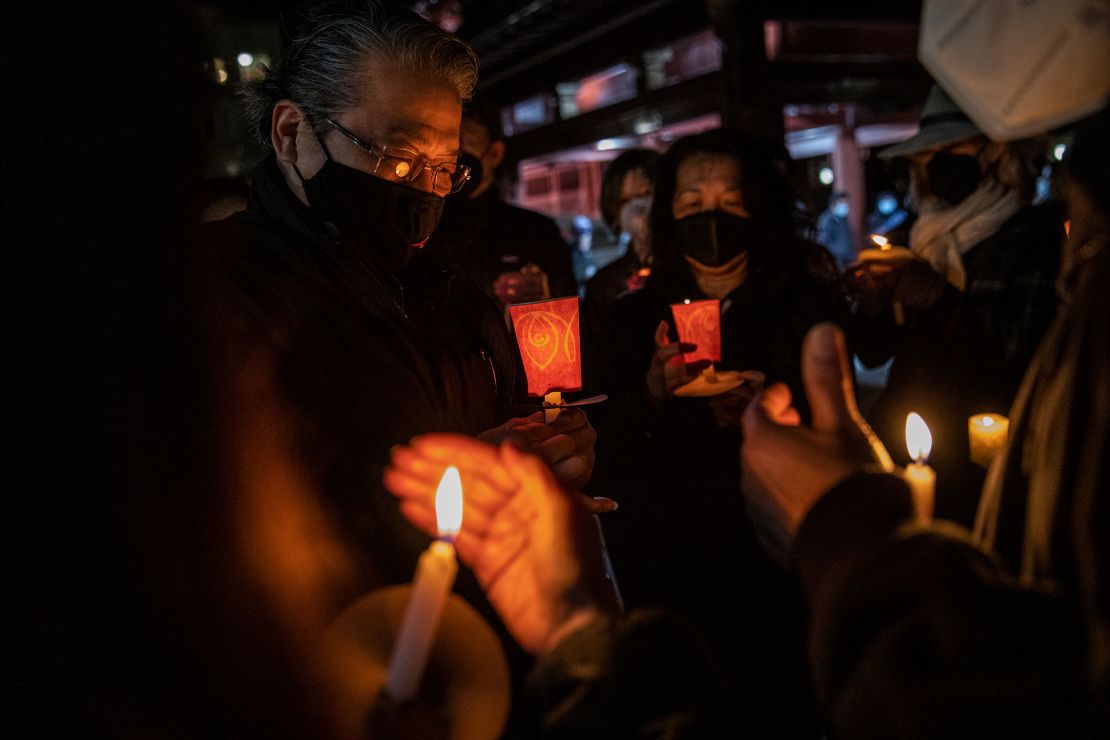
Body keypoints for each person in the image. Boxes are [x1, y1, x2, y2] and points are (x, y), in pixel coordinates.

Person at [203, 1, 597, 698]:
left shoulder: (459, 301)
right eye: (397, 157)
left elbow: (509, 424)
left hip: (484, 674)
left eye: (444, 170)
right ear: (293, 133)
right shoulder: (212, 296)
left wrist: (549, 451)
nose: (421, 192)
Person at [586, 129, 842, 738]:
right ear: (669, 210)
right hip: (672, 562)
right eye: (692, 199)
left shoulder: (804, 303)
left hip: (777, 556)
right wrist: (651, 391)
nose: (711, 213)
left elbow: (840, 419)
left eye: (730, 197)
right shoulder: (630, 314)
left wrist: (773, 409)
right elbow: (606, 446)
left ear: (760, 203)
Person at [848, 84, 1062, 525]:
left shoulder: (1031, 232)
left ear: (995, 151)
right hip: (904, 431)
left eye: (953, 148)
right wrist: (871, 306)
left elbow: (1018, 350)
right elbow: (874, 353)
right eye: (927, 153)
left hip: (983, 455)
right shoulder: (913, 235)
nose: (936, 163)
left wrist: (936, 296)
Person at [433, 105, 578, 306]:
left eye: (466, 146)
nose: (456, 159)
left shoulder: (536, 232)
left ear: (494, 153)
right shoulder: (424, 225)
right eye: (449, 149)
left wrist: (543, 300)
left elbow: (567, 316)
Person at [583, 149, 660, 313]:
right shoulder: (604, 285)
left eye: (645, 194)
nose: (636, 208)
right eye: (625, 200)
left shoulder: (694, 269)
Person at [816, 191, 856, 268]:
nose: (845, 206)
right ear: (833, 204)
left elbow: (847, 241)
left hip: (846, 262)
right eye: (842, 203)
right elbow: (823, 243)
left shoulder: (844, 220)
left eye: (846, 203)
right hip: (834, 264)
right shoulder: (827, 220)